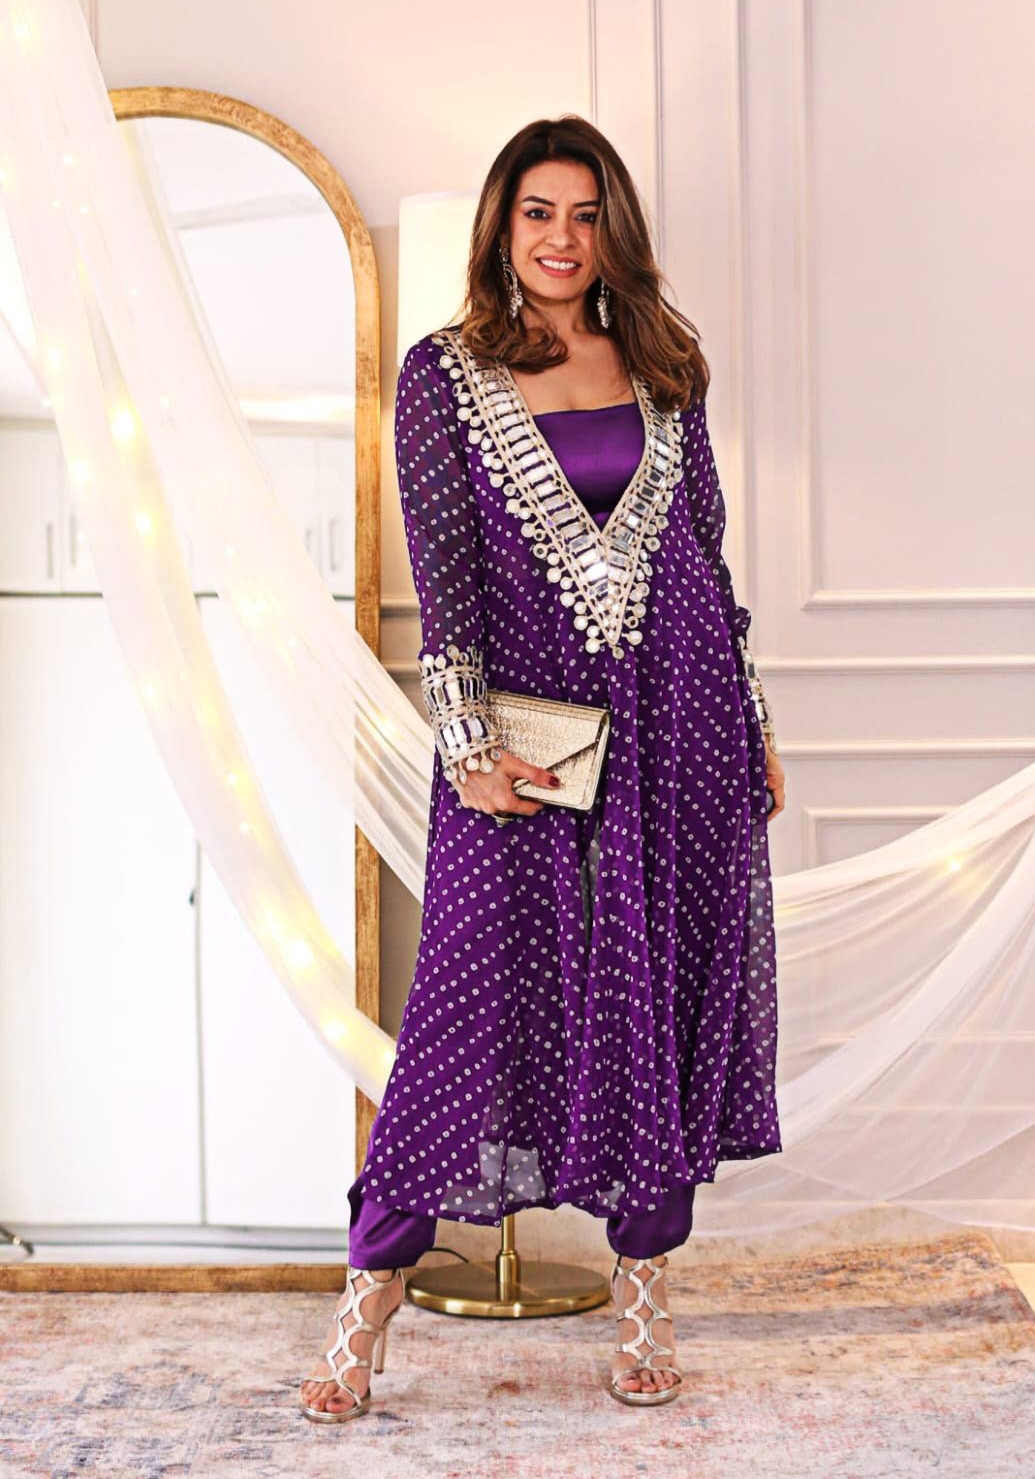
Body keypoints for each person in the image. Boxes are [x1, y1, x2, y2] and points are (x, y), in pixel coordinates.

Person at [300, 114, 786, 1421]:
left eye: (584, 214)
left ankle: (644, 1305)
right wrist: (466, 745)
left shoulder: (667, 365)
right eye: (537, 213)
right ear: (501, 227)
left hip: (680, 725)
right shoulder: (444, 373)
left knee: (654, 997)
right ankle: (364, 1313)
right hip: (523, 742)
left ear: (611, 228)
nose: (562, 239)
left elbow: (705, 557)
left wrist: (750, 721)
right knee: (465, 1010)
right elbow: (443, 571)